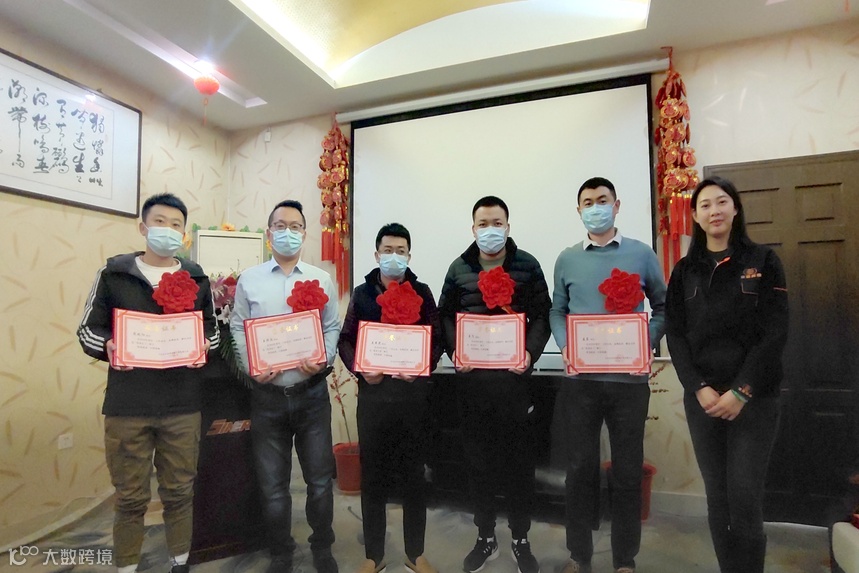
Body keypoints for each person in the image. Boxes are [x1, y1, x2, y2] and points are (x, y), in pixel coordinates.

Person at [77, 193, 220, 573]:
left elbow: (212, 331)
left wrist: (203, 345)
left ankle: (179, 561)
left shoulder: (196, 277)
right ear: (143, 227)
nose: (167, 230)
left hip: (182, 405)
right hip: (128, 405)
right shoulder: (114, 274)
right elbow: (88, 330)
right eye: (159, 222)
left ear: (183, 233)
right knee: (130, 497)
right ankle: (126, 564)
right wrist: (109, 346)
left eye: (175, 225)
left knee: (180, 492)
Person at [665, 176, 788, 573]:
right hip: (704, 400)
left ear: (735, 209)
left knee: (744, 496)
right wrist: (698, 387)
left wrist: (741, 391)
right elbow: (676, 335)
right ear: (695, 216)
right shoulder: (685, 270)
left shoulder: (763, 261)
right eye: (704, 205)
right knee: (717, 498)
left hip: (754, 400)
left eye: (721, 202)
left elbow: (774, 333)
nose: (714, 211)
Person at [549, 177, 666, 573]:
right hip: (580, 384)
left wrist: (645, 340)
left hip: (628, 384)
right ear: (578, 210)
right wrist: (565, 344)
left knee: (628, 472)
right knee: (579, 471)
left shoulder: (641, 254)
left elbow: (663, 306)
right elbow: (557, 310)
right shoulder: (567, 259)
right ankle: (578, 555)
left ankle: (624, 560)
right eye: (588, 202)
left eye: (602, 200)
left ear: (616, 206)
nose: (595, 208)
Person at [438, 196, 551, 573]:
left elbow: (543, 314)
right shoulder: (459, 267)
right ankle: (485, 537)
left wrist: (530, 353)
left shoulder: (527, 265)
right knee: (479, 467)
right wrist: (455, 350)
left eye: (497, 223)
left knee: (520, 467)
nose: (490, 229)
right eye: (483, 224)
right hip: (473, 388)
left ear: (508, 226)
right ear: (473, 229)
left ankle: (521, 538)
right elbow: (445, 316)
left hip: (515, 387)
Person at [230, 200, 341, 573]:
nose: (287, 232)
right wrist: (251, 367)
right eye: (280, 226)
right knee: (273, 487)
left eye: (295, 226)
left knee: (320, 483)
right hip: (267, 397)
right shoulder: (250, 279)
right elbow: (238, 327)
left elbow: (331, 327)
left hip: (311, 395)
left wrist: (323, 358)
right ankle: (281, 552)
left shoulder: (321, 279)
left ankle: (322, 547)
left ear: (305, 234)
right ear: (269, 233)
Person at [338, 223, 444, 573]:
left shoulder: (423, 292)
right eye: (388, 250)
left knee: (415, 477)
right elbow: (345, 340)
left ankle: (416, 553)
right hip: (374, 401)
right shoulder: (362, 294)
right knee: (373, 479)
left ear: (409, 255)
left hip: (414, 401)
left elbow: (437, 339)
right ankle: (374, 555)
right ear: (376, 254)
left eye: (400, 251)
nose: (394, 256)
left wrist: (422, 366)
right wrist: (360, 368)